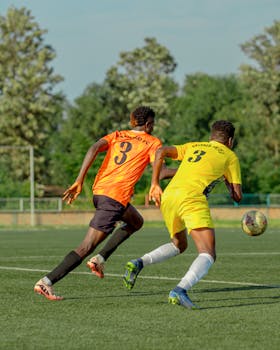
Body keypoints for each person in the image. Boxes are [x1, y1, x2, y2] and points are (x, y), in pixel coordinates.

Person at [34, 106, 176, 300]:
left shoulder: (117, 135)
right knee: (86, 246)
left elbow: (93, 148)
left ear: (132, 122)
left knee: (136, 221)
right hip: (114, 198)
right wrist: (189, 171)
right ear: (149, 124)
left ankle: (99, 259)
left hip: (100, 192)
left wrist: (79, 180)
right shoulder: (153, 142)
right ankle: (46, 282)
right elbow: (161, 173)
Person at [123, 120, 242, 309]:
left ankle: (139, 262)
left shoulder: (194, 146)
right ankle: (180, 290)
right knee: (208, 253)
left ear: (211, 137)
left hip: (169, 196)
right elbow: (237, 197)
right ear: (230, 141)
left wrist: (154, 184)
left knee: (179, 244)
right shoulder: (230, 156)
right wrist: (228, 181)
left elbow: (161, 152)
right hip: (192, 198)